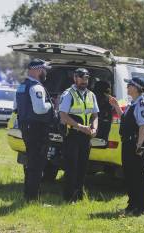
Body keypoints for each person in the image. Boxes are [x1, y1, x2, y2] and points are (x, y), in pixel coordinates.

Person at [109, 77, 144, 215]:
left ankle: (143, 207)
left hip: (136, 143)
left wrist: (139, 145)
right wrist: (116, 105)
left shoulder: (141, 104)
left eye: (129, 85)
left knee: (139, 175)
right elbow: (125, 119)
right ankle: (133, 204)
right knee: (129, 174)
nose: (127, 87)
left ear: (136, 88)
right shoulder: (132, 103)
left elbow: (143, 126)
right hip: (128, 143)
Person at [14, 58, 54, 201]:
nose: (45, 73)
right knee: (37, 164)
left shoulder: (21, 86)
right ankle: (32, 198)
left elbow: (15, 108)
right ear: (38, 70)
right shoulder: (37, 87)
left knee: (31, 163)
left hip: (26, 128)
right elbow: (40, 109)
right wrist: (53, 104)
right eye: (44, 70)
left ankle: (28, 195)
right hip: (37, 129)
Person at [59, 68, 99, 202]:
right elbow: (63, 116)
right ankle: (69, 197)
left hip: (86, 137)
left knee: (83, 167)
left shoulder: (91, 95)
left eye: (86, 78)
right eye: (81, 78)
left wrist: (94, 128)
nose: (84, 81)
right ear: (75, 78)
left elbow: (95, 115)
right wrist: (81, 127)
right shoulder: (68, 94)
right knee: (71, 168)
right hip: (72, 135)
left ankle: (79, 195)